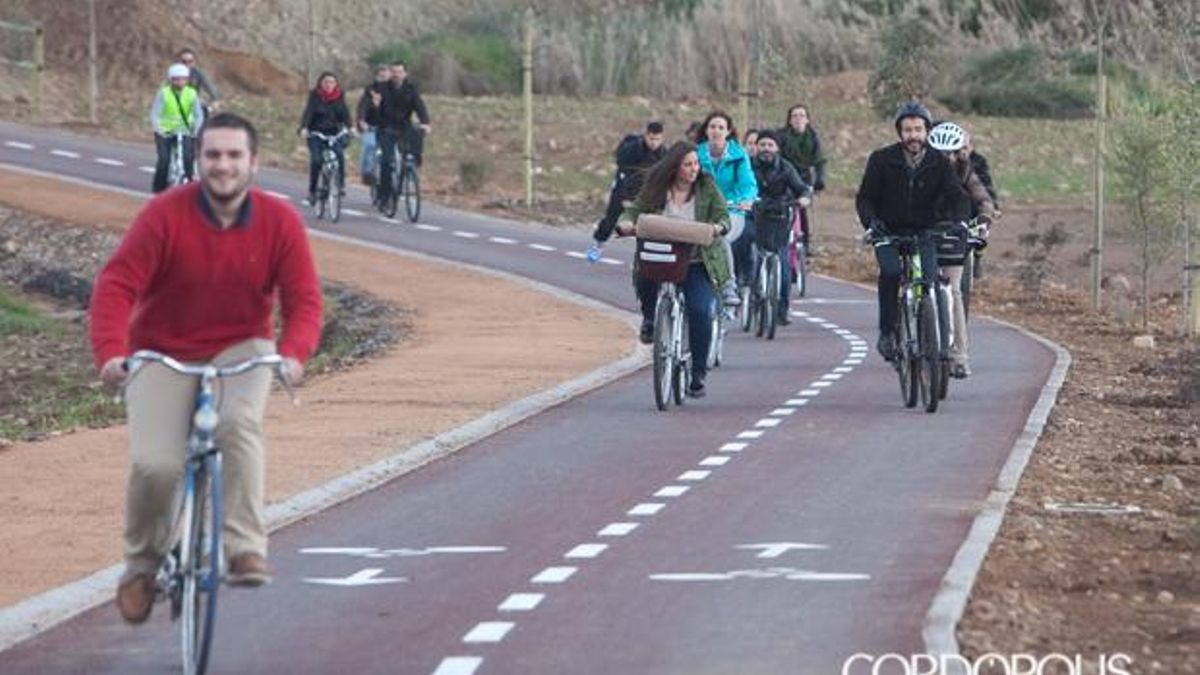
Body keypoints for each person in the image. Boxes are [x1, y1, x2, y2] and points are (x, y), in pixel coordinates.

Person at [90, 112, 323, 624]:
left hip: (242, 346)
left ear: (253, 163)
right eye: (213, 155)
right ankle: (142, 567)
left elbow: (304, 300)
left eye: (234, 155)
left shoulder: (279, 221)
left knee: (239, 424)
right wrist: (111, 351)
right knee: (157, 464)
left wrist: (294, 354)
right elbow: (116, 285)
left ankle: (245, 547)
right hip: (161, 349)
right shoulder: (164, 215)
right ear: (199, 161)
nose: (224, 166)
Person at [616, 141, 732, 397]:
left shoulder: (706, 187)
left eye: (696, 164)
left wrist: (719, 228)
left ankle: (698, 372)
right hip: (661, 257)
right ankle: (649, 319)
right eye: (688, 164)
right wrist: (625, 223)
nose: (693, 169)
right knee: (646, 276)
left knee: (700, 310)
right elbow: (634, 211)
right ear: (675, 167)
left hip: (696, 262)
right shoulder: (657, 188)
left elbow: (723, 216)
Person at [855, 100, 965, 362]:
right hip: (888, 232)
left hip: (923, 232)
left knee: (929, 281)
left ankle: (937, 342)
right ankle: (887, 333)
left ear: (927, 131)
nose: (913, 135)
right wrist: (871, 223)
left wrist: (959, 222)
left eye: (918, 129)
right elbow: (865, 198)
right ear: (899, 132)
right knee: (891, 274)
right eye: (907, 130)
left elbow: (956, 195)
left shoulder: (939, 161)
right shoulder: (882, 159)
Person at [928, 121, 998, 379]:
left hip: (956, 236)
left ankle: (959, 356)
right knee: (914, 284)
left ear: (958, 152)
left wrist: (983, 220)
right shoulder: (918, 171)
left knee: (955, 291)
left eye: (951, 153)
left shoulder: (967, 171)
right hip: (924, 235)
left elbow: (984, 199)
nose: (946, 158)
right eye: (940, 153)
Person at [694, 111, 757, 305]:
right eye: (712, 127)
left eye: (721, 127)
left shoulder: (739, 155)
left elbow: (748, 184)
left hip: (732, 210)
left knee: (719, 238)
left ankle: (728, 286)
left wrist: (746, 199)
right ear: (706, 130)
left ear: (728, 131)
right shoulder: (696, 154)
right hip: (701, 210)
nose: (716, 131)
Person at [750, 130, 812, 326]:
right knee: (754, 262)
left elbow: (801, 188)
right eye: (762, 145)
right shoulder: (748, 167)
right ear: (756, 147)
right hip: (756, 217)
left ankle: (782, 311)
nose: (766, 149)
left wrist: (803, 199)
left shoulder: (786, 168)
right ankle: (753, 300)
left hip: (780, 218)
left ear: (776, 148)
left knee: (784, 268)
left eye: (770, 145)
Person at [587, 121, 666, 261]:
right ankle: (597, 245)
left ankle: (643, 258)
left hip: (644, 193)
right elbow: (621, 166)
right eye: (651, 139)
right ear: (646, 136)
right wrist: (624, 197)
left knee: (646, 225)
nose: (654, 143)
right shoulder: (631, 147)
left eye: (657, 139)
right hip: (623, 187)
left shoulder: (663, 154)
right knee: (610, 219)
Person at [371, 61, 431, 207]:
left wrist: (426, 123)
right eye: (394, 72)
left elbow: (419, 106)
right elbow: (373, 114)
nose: (396, 75)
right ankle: (384, 194)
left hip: (404, 127)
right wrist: (376, 106)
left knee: (415, 142)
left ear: (405, 74)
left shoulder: (411, 89)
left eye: (399, 72)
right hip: (386, 128)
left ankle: (411, 170)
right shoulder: (381, 88)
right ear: (390, 74)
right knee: (387, 160)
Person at [778, 104, 827, 253]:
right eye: (794, 116)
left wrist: (820, 180)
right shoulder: (782, 136)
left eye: (802, 116)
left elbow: (819, 161)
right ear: (789, 120)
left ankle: (804, 244)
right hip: (785, 176)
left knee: (803, 210)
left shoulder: (813, 137)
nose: (798, 119)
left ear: (807, 120)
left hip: (804, 178)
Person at [298, 70, 351, 205]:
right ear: (321, 83)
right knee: (316, 160)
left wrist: (350, 128)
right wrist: (304, 128)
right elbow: (308, 113)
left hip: (334, 133)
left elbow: (345, 115)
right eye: (326, 82)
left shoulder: (340, 97)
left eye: (332, 82)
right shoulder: (315, 96)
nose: (329, 85)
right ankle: (313, 191)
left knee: (339, 155)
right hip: (316, 134)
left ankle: (341, 185)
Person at [149, 63, 204, 193]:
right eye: (177, 79)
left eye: (183, 79)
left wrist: (195, 129)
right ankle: (158, 190)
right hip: (165, 132)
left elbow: (198, 114)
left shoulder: (191, 93)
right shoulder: (164, 93)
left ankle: (191, 188)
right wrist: (159, 128)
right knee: (164, 160)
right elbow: (155, 113)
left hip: (186, 131)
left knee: (188, 158)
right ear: (171, 80)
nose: (180, 82)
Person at [355, 64, 391, 186]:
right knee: (370, 145)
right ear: (376, 77)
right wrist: (362, 120)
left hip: (390, 128)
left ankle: (398, 178)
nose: (384, 80)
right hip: (372, 126)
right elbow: (363, 107)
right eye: (381, 77)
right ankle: (367, 173)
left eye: (386, 77)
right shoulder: (370, 90)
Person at [176, 48, 221, 112]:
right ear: (179, 62)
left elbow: (210, 88)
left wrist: (214, 102)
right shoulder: (173, 74)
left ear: (194, 62)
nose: (187, 64)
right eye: (184, 62)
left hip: (195, 104)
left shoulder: (198, 73)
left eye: (190, 61)